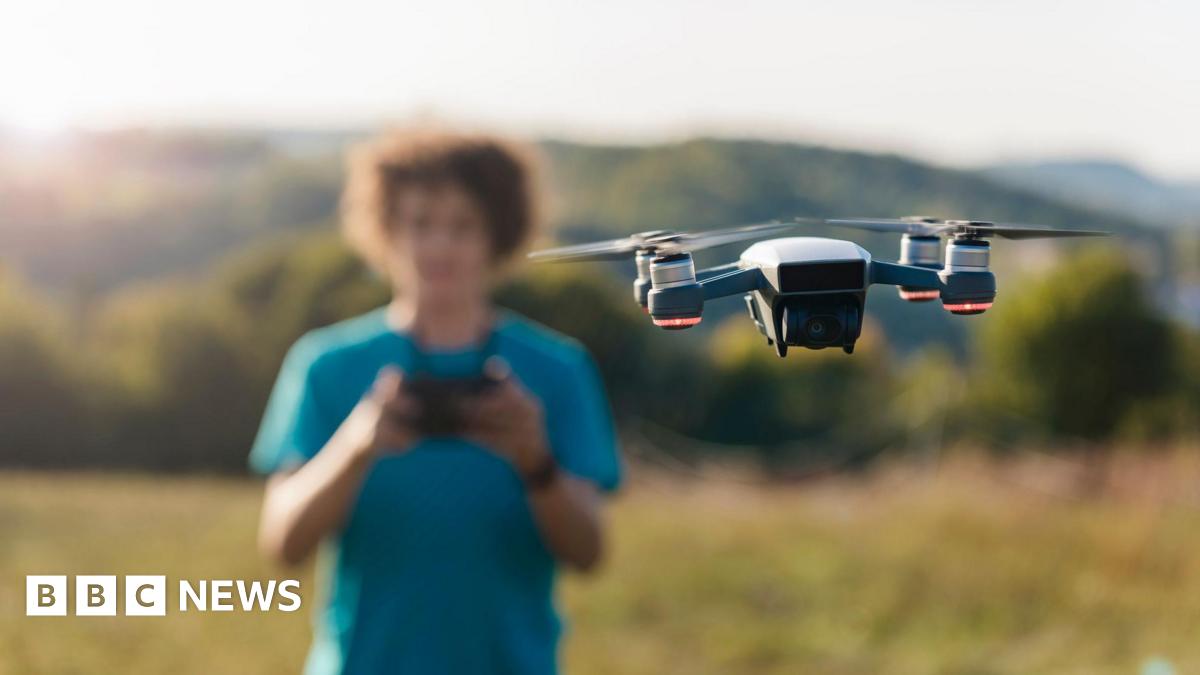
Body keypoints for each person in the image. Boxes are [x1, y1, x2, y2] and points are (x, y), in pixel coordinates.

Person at [249, 129, 622, 675]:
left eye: (463, 226)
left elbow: (588, 553)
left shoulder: (558, 371)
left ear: (497, 235)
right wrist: (354, 447)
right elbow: (282, 543)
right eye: (420, 223)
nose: (439, 246)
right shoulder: (325, 366)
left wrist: (535, 461)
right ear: (387, 229)